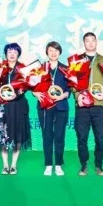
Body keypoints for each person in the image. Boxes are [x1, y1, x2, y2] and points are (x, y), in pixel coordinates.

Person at [0, 43, 31, 175]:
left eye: (15, 52)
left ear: (18, 54)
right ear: (6, 54)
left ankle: (13, 165)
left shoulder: (23, 69)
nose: (12, 54)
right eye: (9, 52)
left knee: (18, 135)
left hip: (17, 105)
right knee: (2, 135)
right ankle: (5, 165)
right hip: (1, 106)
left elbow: (27, 86)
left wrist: (16, 94)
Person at [73, 32, 103, 177]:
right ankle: (83, 165)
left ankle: (99, 165)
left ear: (96, 42)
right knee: (82, 137)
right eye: (87, 40)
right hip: (82, 106)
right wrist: (78, 96)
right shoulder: (77, 60)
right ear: (84, 43)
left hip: (99, 105)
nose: (90, 43)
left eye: (92, 40)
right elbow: (72, 81)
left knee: (100, 137)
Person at [37, 41, 70, 176]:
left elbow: (70, 88)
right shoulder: (40, 68)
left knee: (60, 136)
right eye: (50, 50)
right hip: (44, 106)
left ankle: (59, 164)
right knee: (47, 135)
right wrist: (35, 93)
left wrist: (63, 95)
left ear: (60, 52)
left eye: (56, 50)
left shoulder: (66, 69)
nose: (53, 53)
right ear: (47, 52)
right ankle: (48, 164)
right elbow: (32, 84)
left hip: (61, 106)